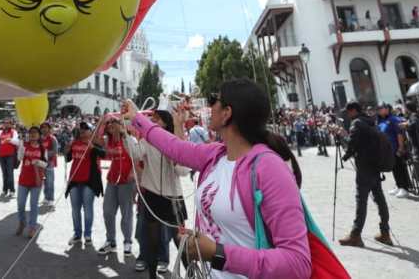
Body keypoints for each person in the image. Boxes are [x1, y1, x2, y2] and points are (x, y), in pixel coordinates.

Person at [122, 81, 312, 279]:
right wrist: (137, 118)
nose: (209, 106)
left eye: (214, 100)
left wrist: (217, 253)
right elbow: (174, 147)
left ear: (226, 113)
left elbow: (297, 263)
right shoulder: (217, 154)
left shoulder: (270, 168)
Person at [127, 109, 188, 276]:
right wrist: (127, 135)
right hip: (152, 195)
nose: (152, 120)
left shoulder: (175, 140)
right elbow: (135, 153)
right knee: (151, 240)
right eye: (152, 118)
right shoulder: (147, 140)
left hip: (174, 196)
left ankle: (191, 272)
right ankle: (152, 275)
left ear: (166, 122)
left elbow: (184, 171)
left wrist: (174, 158)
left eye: (156, 118)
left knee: (180, 240)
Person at [339, 102, 392, 248]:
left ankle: (355, 235)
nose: (347, 114)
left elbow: (351, 145)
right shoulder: (370, 121)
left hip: (364, 167)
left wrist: (342, 136)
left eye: (348, 111)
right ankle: (385, 232)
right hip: (375, 166)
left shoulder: (356, 124)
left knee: (361, 200)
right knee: (380, 199)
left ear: (354, 110)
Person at [95, 117, 136, 257]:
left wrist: (132, 172)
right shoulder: (108, 140)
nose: (111, 125)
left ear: (121, 125)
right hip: (112, 180)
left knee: (126, 214)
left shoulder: (129, 140)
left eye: (114, 122)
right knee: (108, 211)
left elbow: (137, 158)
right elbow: (94, 140)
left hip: (126, 182)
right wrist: (100, 124)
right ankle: (111, 241)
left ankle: (127, 241)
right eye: (109, 124)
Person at [65, 121, 104, 250]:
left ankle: (87, 235)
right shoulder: (75, 143)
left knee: (88, 209)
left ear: (91, 131)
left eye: (86, 129)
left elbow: (104, 154)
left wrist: (92, 147)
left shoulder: (94, 143)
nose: (82, 131)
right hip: (75, 180)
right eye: (81, 129)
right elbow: (68, 158)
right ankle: (77, 234)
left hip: (89, 181)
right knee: (75, 210)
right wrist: (67, 149)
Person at [16, 125, 47, 237]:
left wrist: (37, 162)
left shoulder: (42, 148)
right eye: (31, 132)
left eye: (35, 132)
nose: (33, 134)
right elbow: (19, 158)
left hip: (36, 181)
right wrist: (20, 146)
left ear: (39, 135)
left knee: (33, 205)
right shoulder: (25, 146)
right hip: (23, 179)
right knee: (20, 204)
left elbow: (46, 164)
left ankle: (32, 228)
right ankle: (22, 222)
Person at [376, 104, 411, 199]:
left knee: (400, 168)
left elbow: (399, 134)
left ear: (387, 109)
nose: (379, 110)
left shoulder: (393, 119)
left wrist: (401, 147)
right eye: (378, 109)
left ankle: (404, 188)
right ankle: (399, 186)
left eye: (381, 108)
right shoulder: (380, 120)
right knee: (394, 168)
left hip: (395, 148)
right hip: (387, 150)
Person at [0, 119, 19, 196]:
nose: (6, 124)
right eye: (4, 123)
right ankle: (5, 189)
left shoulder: (14, 132)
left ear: (11, 124)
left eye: (8, 123)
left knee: (10, 173)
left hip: (10, 155)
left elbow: (17, 142)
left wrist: (10, 140)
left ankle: (12, 190)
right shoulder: (0, 132)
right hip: (2, 155)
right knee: (4, 173)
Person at [40, 122, 60, 206]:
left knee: (50, 181)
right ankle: (46, 197)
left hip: (50, 162)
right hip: (41, 163)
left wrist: (45, 154)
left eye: (46, 127)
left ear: (49, 129)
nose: (44, 129)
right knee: (44, 181)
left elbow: (55, 151)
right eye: (42, 127)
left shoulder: (52, 138)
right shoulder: (40, 139)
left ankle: (51, 198)